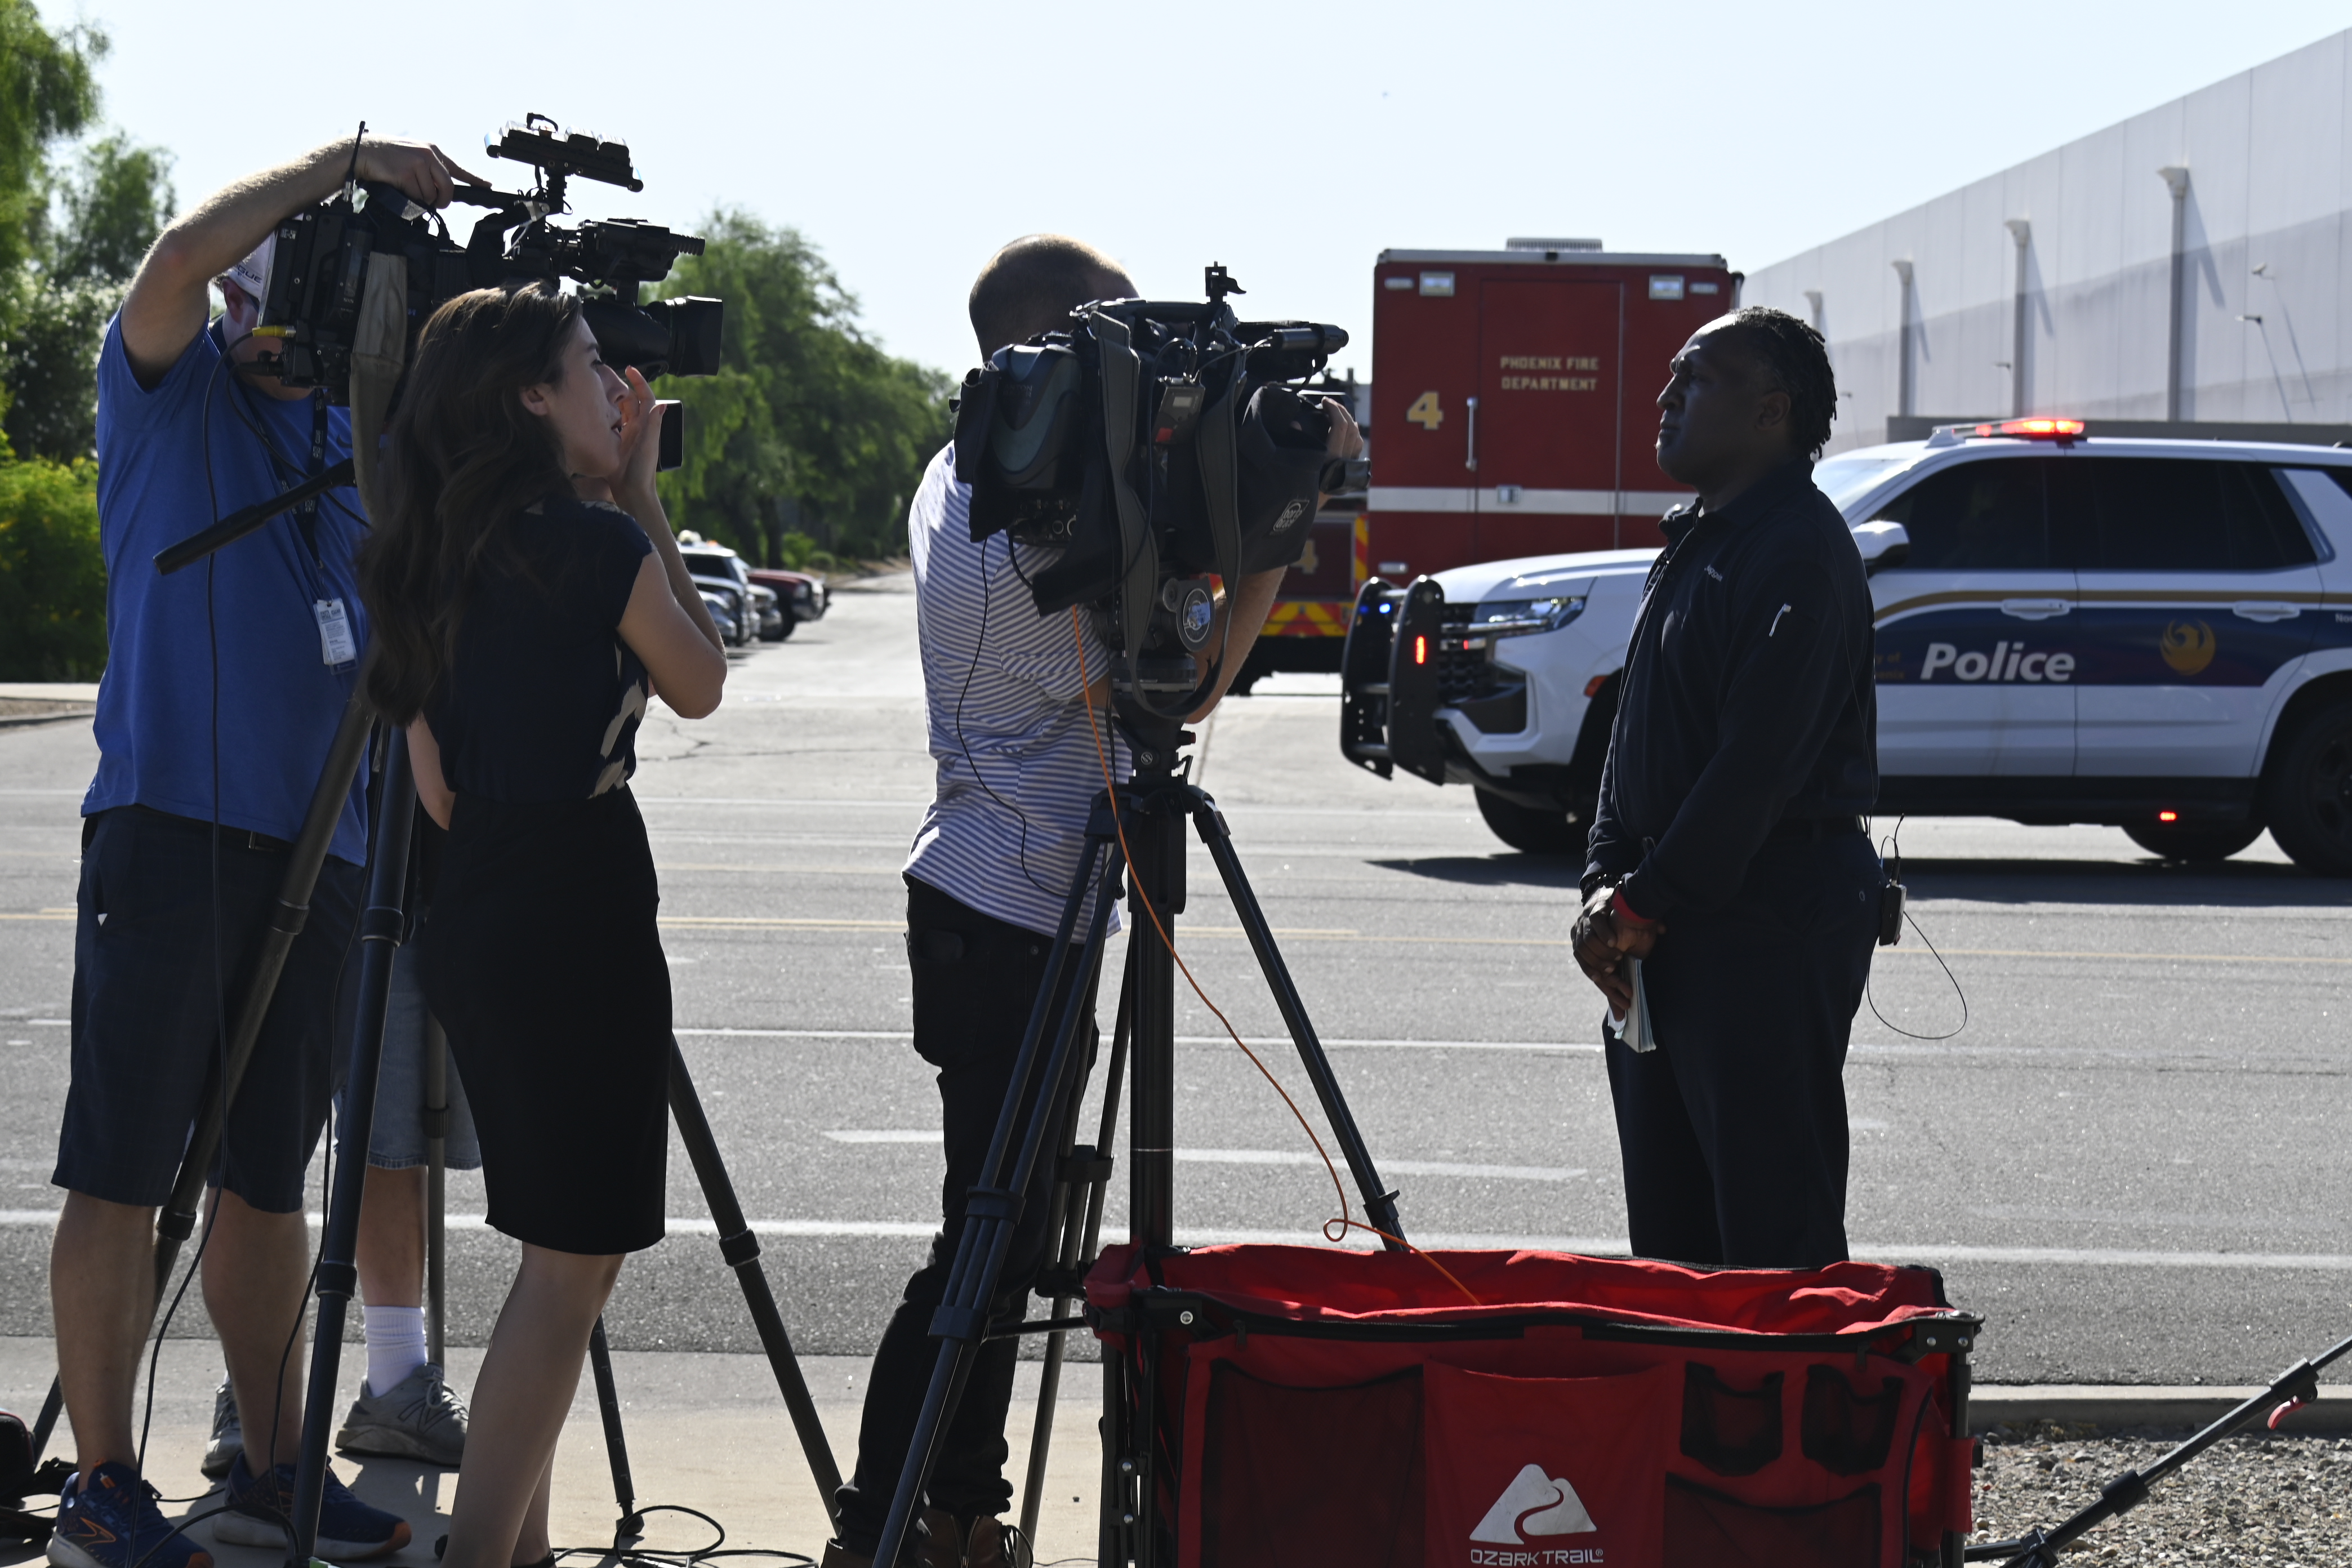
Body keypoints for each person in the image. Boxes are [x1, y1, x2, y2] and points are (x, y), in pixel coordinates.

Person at [823, 235, 1362, 1568]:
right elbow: (1188, 681)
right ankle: (884, 1522)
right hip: (1011, 916)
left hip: (1008, 903)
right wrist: (1277, 525)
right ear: (1054, 353)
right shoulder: (1022, 545)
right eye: (1126, 343)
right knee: (985, 1242)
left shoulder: (976, 464)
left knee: (1002, 1238)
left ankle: (960, 1506)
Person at [48, 134, 476, 1568]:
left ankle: (273, 1464)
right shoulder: (169, 395)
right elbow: (176, 260)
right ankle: (104, 1482)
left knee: (268, 1181)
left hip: (326, 846)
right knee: (121, 1168)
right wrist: (346, 160)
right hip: (172, 826)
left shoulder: (364, 446)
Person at [357, 281, 728, 1568]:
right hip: (578, 905)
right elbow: (701, 681)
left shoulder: (425, 553)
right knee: (571, 1262)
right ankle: (485, 1557)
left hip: (477, 906)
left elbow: (439, 788)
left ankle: (522, 1545)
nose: (615, 388)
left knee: (559, 1258)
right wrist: (639, 499)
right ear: (529, 397)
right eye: (587, 366)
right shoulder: (594, 546)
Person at [1572, 305, 1881, 1272]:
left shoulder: (1795, 549)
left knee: (1769, 1230)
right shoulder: (1699, 541)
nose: (1666, 396)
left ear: (1770, 411)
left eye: (1696, 378)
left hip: (1764, 926)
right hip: (1665, 927)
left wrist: (1641, 901)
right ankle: (1689, 1381)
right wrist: (1604, 886)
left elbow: (1756, 767)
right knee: (1673, 1240)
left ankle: (1792, 1382)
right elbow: (1635, 738)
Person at [203, 876, 481, 1478]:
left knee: (392, 1135)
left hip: (402, 872)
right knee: (256, 1137)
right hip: (284, 860)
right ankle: (252, 1395)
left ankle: (396, 1378)